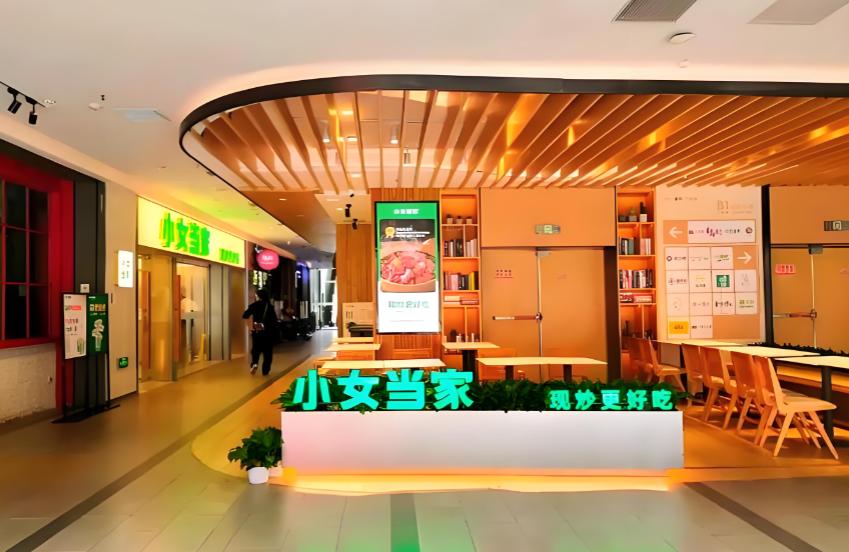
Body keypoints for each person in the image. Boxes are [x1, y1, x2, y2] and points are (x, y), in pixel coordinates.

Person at [242, 289, 278, 375]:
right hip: (268, 333)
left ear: (258, 296)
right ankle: (265, 370)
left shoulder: (254, 305)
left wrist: (252, 323)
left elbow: (245, 315)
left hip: (257, 331)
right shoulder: (269, 307)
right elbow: (274, 321)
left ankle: (254, 363)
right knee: (267, 352)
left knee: (256, 349)